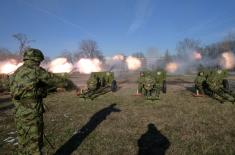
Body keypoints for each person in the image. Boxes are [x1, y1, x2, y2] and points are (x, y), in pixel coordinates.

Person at [10, 48, 58, 155]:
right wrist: (71, 84)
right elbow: (56, 81)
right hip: (32, 113)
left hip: (19, 113)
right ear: (37, 58)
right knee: (35, 144)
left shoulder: (17, 72)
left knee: (23, 142)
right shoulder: (36, 70)